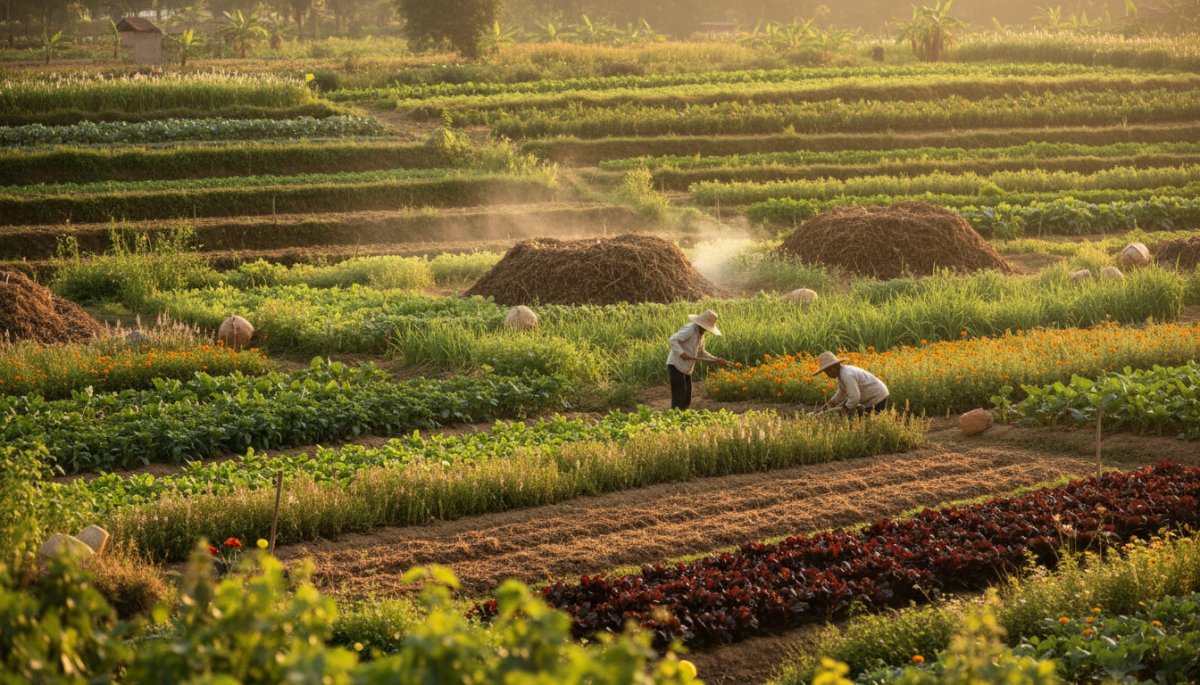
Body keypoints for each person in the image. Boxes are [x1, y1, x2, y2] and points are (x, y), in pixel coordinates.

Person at [666, 309, 730, 410]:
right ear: (701, 323)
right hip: (676, 364)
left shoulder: (701, 335)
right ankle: (676, 417)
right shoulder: (690, 329)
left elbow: (701, 352)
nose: (706, 329)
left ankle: (683, 416)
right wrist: (681, 353)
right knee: (680, 396)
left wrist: (716, 360)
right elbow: (672, 340)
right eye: (705, 326)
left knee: (687, 396)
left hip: (686, 367)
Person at [812, 351, 890, 414]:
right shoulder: (842, 374)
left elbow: (855, 398)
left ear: (835, 366)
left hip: (877, 396)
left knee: (865, 420)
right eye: (826, 371)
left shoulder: (847, 374)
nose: (828, 373)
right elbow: (841, 393)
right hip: (875, 395)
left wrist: (844, 410)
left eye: (828, 370)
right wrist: (830, 404)